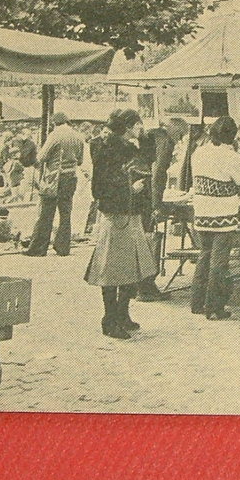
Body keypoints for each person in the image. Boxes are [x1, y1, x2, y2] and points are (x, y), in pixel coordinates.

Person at [84, 109, 158, 340]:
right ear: (128, 126)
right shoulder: (111, 149)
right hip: (118, 214)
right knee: (113, 271)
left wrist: (143, 136)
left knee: (130, 267)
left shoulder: (116, 146)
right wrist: (130, 188)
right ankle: (110, 319)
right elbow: (102, 185)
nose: (140, 128)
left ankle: (122, 314)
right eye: (138, 124)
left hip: (128, 213)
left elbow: (148, 158)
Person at [190, 116, 240, 319]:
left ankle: (197, 302)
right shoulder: (232, 157)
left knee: (204, 255)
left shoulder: (198, 152)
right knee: (219, 262)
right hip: (222, 214)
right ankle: (214, 307)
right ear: (233, 136)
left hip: (201, 211)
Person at [135, 117, 189, 301]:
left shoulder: (152, 135)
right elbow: (158, 173)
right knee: (148, 240)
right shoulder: (165, 141)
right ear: (173, 129)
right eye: (181, 134)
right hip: (147, 198)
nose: (180, 140)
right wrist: (156, 204)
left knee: (140, 240)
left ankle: (138, 285)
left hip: (138, 194)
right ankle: (146, 287)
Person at [24, 112, 85, 257]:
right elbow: (80, 160)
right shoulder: (78, 136)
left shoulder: (55, 135)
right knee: (65, 213)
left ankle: (38, 248)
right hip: (70, 177)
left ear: (54, 123)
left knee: (46, 213)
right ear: (67, 122)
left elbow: (41, 157)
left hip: (54, 178)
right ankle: (63, 247)